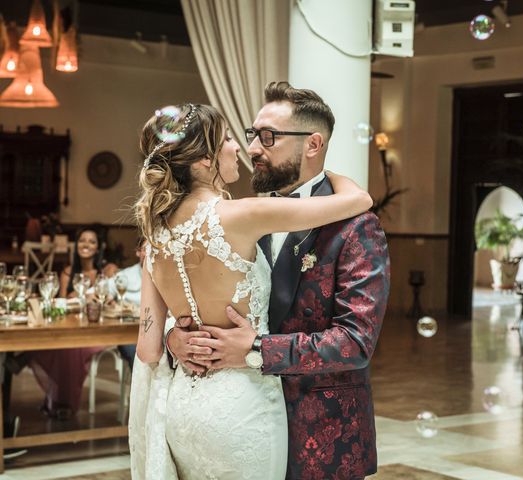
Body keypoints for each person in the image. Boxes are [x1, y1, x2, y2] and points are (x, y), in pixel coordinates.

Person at [129, 101, 373, 479]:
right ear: (205, 161)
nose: (244, 149)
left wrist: (179, 340)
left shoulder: (154, 234)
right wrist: (338, 176)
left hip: (185, 407)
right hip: (243, 408)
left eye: (265, 137)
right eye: (229, 138)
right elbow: (358, 200)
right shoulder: (244, 215)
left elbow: (147, 349)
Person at [15, 227, 117, 419]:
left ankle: (63, 403)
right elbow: (60, 305)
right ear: (76, 245)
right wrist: (72, 299)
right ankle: (57, 401)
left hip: (99, 331)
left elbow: (113, 299)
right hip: (74, 326)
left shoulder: (106, 272)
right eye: (82, 240)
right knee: (63, 344)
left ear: (98, 247)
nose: (86, 244)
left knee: (71, 347)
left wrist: (99, 299)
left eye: (91, 241)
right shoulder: (68, 272)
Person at [108, 238, 144, 368]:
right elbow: (96, 291)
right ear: (138, 252)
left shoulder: (169, 276)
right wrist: (108, 300)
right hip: (130, 335)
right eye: (146, 249)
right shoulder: (126, 275)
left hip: (162, 334)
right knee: (138, 354)